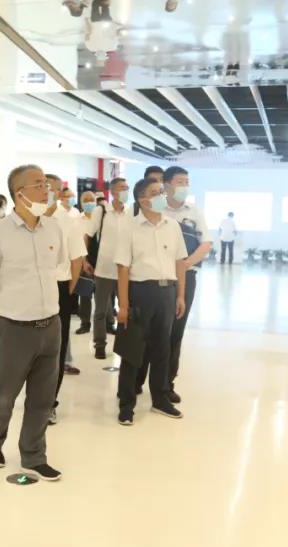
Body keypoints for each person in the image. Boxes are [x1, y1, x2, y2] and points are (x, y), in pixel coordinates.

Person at [0, 164, 65, 481]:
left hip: (50, 325)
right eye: (39, 184)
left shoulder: (53, 228)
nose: (46, 190)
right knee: (5, 394)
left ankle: (33, 455)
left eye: (46, 184)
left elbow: (55, 267)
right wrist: (7, 304)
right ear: (20, 193)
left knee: (42, 398)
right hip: (15, 328)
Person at [115, 178, 188, 425]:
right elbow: (122, 268)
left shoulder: (172, 226)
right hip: (140, 292)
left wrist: (180, 295)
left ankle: (160, 399)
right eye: (155, 192)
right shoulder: (129, 228)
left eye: (161, 192)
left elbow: (180, 262)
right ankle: (126, 405)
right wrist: (123, 305)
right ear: (142, 199)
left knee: (161, 350)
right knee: (132, 351)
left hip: (167, 293)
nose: (161, 196)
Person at [145, 166, 211, 404]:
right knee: (150, 331)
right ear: (167, 184)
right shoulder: (156, 208)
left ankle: (166, 384)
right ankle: (139, 379)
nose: (185, 186)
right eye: (180, 181)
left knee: (175, 332)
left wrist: (186, 263)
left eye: (187, 182)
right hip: (155, 277)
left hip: (185, 277)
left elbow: (206, 243)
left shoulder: (194, 212)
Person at [45, 175, 85, 423]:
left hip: (59, 286)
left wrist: (67, 290)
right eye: (44, 187)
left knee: (56, 348)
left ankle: (50, 402)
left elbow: (77, 259)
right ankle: (32, 398)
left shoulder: (68, 221)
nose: (49, 192)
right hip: (28, 288)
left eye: (54, 189)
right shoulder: (23, 218)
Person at [92, 178, 132, 359]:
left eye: (127, 188)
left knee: (125, 308)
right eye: (122, 188)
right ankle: (99, 344)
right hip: (103, 268)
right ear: (113, 191)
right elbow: (88, 235)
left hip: (125, 269)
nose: (125, 191)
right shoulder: (101, 211)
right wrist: (85, 260)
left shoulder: (131, 213)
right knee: (100, 310)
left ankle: (124, 346)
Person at [74, 191, 101, 335]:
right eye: (86, 200)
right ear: (81, 202)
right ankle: (85, 323)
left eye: (92, 199)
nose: (89, 202)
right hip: (83, 260)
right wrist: (83, 261)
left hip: (101, 260)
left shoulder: (102, 217)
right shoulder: (77, 219)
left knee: (103, 295)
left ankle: (108, 323)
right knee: (85, 295)